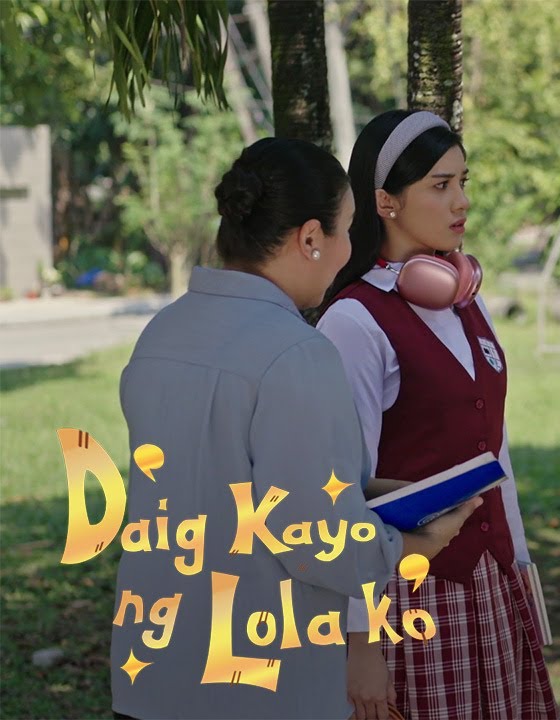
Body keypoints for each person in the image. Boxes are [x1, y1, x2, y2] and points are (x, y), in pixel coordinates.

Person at [112, 138, 480, 720]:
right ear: (311, 238)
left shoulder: (162, 333)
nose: (348, 251)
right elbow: (318, 542)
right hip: (258, 680)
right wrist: (418, 544)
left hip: (152, 670)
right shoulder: (296, 352)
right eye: (347, 231)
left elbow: (216, 482)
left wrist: (380, 493)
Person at [317, 110, 558, 720]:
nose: (462, 202)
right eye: (440, 185)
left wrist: (520, 568)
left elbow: (495, 455)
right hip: (408, 600)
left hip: (490, 581)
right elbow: (343, 490)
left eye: (463, 181)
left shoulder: (464, 302)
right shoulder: (354, 321)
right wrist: (361, 644)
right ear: (386, 202)